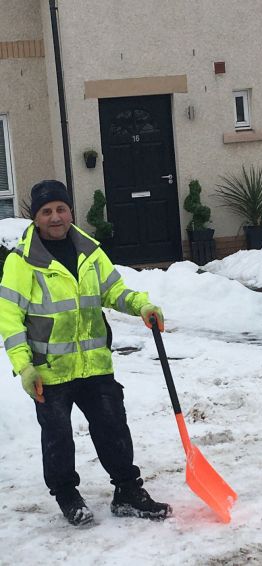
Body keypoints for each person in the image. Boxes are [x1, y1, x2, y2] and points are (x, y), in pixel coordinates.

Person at [0, 180, 172, 526]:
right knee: (58, 435)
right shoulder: (22, 262)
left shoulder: (90, 252)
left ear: (70, 212)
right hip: (49, 369)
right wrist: (24, 367)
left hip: (94, 365)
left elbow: (114, 291)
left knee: (113, 426)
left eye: (60, 209)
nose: (55, 217)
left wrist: (142, 305)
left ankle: (127, 491)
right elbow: (9, 317)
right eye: (46, 211)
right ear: (35, 218)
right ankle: (66, 494)